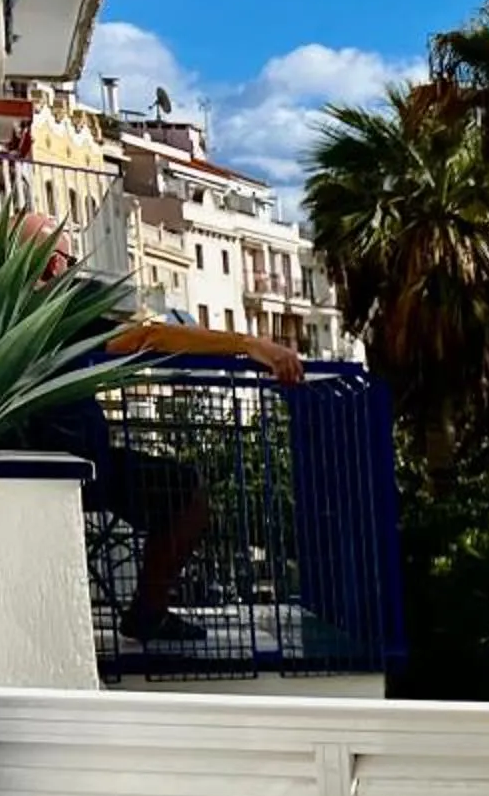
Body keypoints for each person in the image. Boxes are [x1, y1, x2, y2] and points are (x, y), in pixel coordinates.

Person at [21, 213, 303, 642]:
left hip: (44, 463)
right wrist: (248, 345)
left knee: (172, 488)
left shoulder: (3, 312)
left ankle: (146, 611)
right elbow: (148, 338)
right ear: (54, 263)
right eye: (69, 260)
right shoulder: (61, 316)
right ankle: (149, 611)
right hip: (84, 468)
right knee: (188, 492)